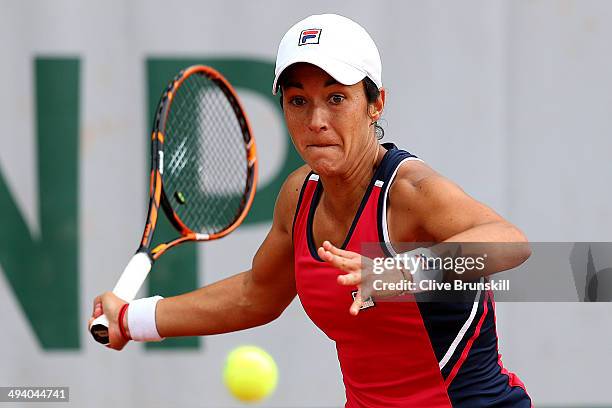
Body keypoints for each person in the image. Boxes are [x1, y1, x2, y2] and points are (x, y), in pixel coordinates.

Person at [90, 14, 532, 407]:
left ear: (375, 103)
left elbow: (513, 244)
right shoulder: (300, 193)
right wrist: (133, 320)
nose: (316, 119)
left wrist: (403, 271)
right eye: (298, 101)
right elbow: (257, 294)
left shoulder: (411, 192)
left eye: (337, 98)